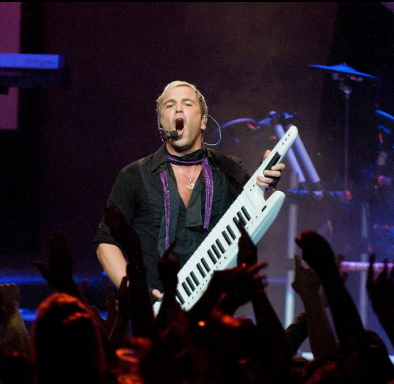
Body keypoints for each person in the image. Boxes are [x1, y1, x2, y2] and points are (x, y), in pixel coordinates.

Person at [95, 80, 285, 301]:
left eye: (187, 103)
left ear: (203, 121)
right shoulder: (134, 175)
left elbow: (257, 215)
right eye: (170, 105)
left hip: (213, 309)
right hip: (153, 310)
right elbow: (106, 241)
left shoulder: (228, 168)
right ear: (160, 123)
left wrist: (267, 184)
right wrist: (134, 290)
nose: (178, 109)